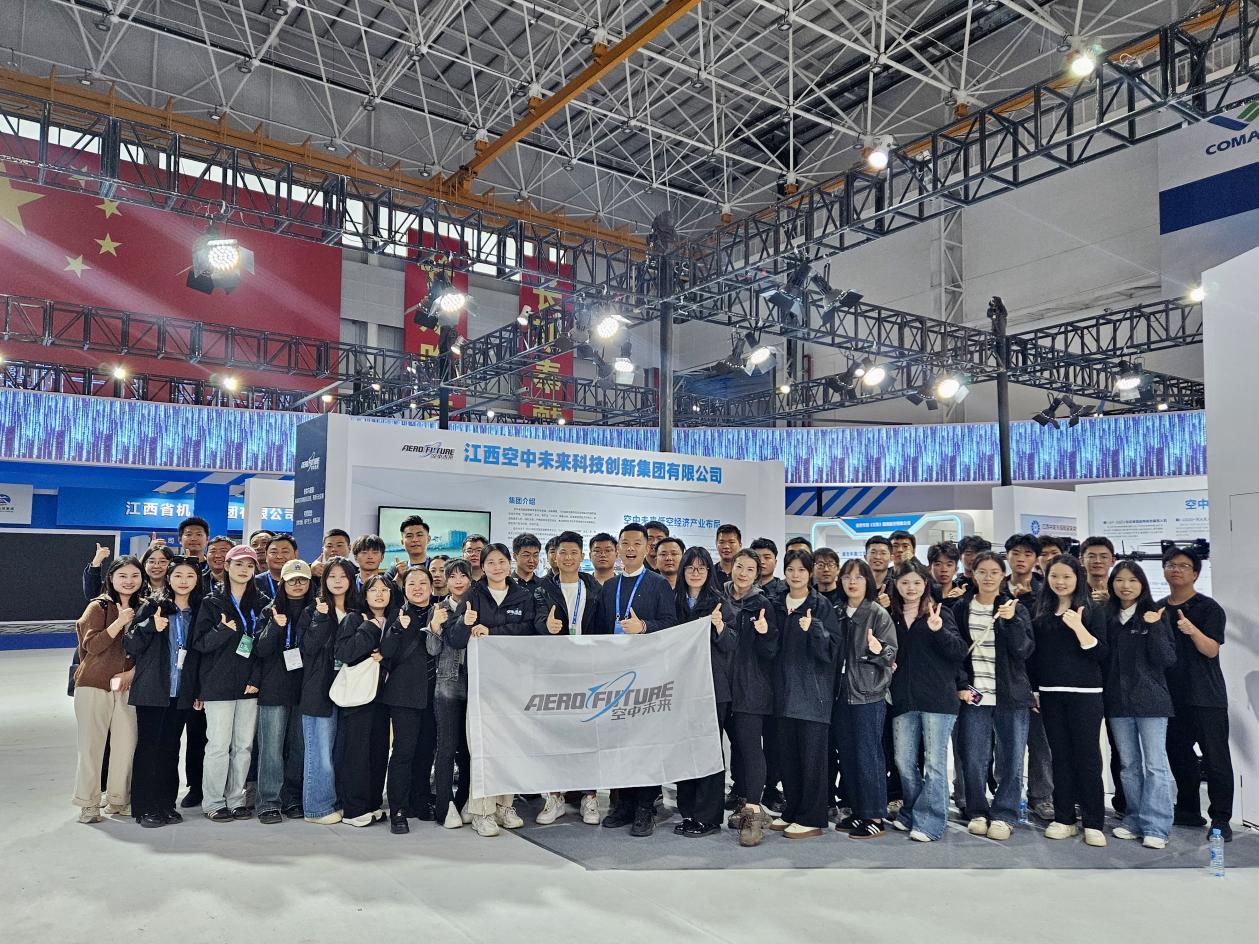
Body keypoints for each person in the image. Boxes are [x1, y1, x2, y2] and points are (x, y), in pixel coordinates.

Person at [447, 543, 536, 836]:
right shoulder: (474, 595)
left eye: (501, 561)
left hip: (513, 683)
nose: (497, 567)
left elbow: (529, 631)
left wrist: (492, 631)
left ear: (510, 564)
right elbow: (455, 639)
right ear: (482, 567)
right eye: (491, 563)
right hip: (481, 684)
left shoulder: (523, 595)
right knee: (483, 746)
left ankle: (504, 806)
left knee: (509, 745)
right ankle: (481, 811)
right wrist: (465, 623)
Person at [596, 524, 677, 837]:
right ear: (618, 548)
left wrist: (644, 627)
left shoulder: (658, 584)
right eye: (625, 543)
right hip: (615, 676)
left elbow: (671, 624)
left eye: (636, 543)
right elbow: (599, 630)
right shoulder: (609, 587)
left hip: (647, 676)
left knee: (645, 741)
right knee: (620, 741)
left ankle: (645, 806)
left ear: (647, 549)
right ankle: (624, 804)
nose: (630, 549)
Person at [951, 550, 1035, 841]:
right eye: (982, 572)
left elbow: (1024, 650)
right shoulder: (960, 608)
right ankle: (977, 810)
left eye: (994, 572)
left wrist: (1011, 622)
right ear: (973, 574)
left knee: (1011, 757)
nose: (988, 577)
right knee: (973, 756)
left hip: (1010, 695)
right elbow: (955, 652)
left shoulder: (1015, 608)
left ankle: (1005, 814)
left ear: (1003, 575)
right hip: (974, 696)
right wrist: (961, 684)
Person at [1030, 554, 1110, 846]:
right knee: (1060, 757)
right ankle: (1064, 818)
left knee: (1087, 757)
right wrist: (1035, 690)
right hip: (1050, 693)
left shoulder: (1092, 609)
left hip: (1085, 694)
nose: (1060, 582)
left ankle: (1093, 821)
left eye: (1066, 576)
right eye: (1054, 576)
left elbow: (1101, 653)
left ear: (1078, 578)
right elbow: (1035, 656)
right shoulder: (1040, 610)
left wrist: (1078, 627)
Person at [887, 559, 966, 842]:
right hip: (903, 699)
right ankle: (910, 811)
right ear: (896, 584)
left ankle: (931, 822)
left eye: (917, 582)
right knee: (904, 761)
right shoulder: (891, 615)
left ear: (926, 584)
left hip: (937, 699)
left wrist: (938, 630)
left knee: (934, 763)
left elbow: (959, 651)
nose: (911, 588)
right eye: (905, 582)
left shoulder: (940, 612)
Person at [1160, 545, 1234, 840]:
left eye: (1183, 566)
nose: (1176, 570)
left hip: (1206, 696)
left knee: (1216, 759)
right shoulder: (1157, 608)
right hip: (1171, 697)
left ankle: (1221, 819)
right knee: (1178, 755)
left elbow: (1211, 649)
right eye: (1170, 565)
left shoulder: (1209, 608)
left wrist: (1192, 630)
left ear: (1195, 573)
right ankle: (1188, 809)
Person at [532, 531, 605, 825]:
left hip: (588, 670)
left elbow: (602, 628)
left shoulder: (595, 588)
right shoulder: (542, 588)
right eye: (563, 552)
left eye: (574, 552)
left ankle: (589, 797)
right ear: (554, 555)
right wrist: (545, 626)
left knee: (588, 733)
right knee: (555, 734)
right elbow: (537, 620)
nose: (568, 557)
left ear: (582, 556)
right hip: (555, 672)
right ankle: (555, 796)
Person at [192, 544, 269, 822]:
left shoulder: (262, 603)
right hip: (218, 684)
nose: (244, 570)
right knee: (218, 746)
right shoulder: (211, 602)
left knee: (243, 746)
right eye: (238, 564)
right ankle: (213, 802)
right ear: (226, 566)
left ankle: (236, 799)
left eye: (249, 565)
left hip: (250, 685)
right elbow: (200, 644)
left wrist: (256, 678)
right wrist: (222, 630)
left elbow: (264, 646)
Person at [1104, 560, 1177, 849]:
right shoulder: (1107, 616)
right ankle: (1134, 819)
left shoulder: (1154, 614)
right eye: (1120, 580)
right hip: (1117, 702)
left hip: (1151, 702)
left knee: (1155, 765)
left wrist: (1154, 626)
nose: (1126, 586)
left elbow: (1166, 659)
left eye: (1133, 580)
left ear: (1143, 584)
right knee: (1128, 765)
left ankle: (1157, 826)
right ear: (1112, 584)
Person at [125, 557, 203, 828]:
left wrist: (197, 691)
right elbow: (130, 643)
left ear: (197, 580)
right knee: (149, 749)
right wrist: (149, 626)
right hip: (153, 690)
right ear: (169, 578)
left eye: (190, 576)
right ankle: (145, 808)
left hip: (181, 692)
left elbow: (200, 655)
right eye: (178, 575)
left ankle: (166, 804)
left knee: (171, 748)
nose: (184, 581)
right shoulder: (153, 606)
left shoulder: (198, 611)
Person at [768, 548, 839, 839]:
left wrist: (814, 629)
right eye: (791, 569)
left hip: (813, 695)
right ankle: (793, 809)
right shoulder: (776, 604)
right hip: (783, 694)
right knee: (788, 757)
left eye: (801, 570)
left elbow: (832, 651)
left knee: (812, 759)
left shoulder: (820, 605)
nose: (795, 575)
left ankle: (812, 817)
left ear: (810, 574)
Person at [672, 547, 737, 838]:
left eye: (701, 568)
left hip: (713, 687)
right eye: (690, 567)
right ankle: (688, 812)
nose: (695, 573)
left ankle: (708, 817)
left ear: (709, 572)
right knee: (685, 749)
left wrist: (720, 626)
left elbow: (733, 644)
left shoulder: (719, 602)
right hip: (682, 687)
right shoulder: (674, 601)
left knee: (709, 750)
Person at [72, 556, 142, 824]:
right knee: (91, 747)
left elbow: (150, 650)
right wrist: (119, 622)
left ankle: (118, 799)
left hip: (127, 686)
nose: (129, 581)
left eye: (135, 575)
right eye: (122, 575)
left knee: (125, 745)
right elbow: (92, 646)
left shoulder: (145, 607)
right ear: (111, 578)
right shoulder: (98, 606)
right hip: (94, 684)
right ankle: (88, 803)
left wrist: (132, 673)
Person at [832, 558, 897, 839]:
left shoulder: (877, 613)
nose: (852, 582)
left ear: (868, 581)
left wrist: (878, 649)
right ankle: (859, 810)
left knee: (869, 756)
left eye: (858, 577)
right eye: (847, 577)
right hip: (840, 695)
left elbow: (891, 654)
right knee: (848, 755)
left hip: (868, 694)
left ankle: (875, 816)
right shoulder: (837, 612)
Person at [722, 549, 781, 847]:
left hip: (751, 688)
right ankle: (741, 800)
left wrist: (765, 632)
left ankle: (754, 812)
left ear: (757, 574)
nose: (743, 573)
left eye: (750, 569)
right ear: (731, 568)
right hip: (722, 685)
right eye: (739, 566)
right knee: (733, 747)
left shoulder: (762, 604)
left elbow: (771, 652)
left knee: (750, 748)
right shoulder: (719, 598)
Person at [297, 556, 358, 825]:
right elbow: (307, 648)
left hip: (350, 687)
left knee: (341, 749)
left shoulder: (358, 609)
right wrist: (321, 618)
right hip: (318, 688)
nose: (337, 581)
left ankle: (336, 801)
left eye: (343, 576)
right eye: (332, 576)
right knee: (319, 750)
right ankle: (317, 808)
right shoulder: (314, 609)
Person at [252, 559, 313, 824]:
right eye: (292, 580)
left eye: (302, 580)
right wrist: (276, 626)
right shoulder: (269, 610)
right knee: (271, 748)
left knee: (299, 747)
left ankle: (293, 798)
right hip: (274, 688)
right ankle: (268, 801)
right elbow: (260, 649)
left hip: (305, 688)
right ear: (282, 583)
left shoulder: (317, 610)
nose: (297, 584)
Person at [379, 566, 438, 834]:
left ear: (432, 587)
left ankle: (420, 801)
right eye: (411, 583)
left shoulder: (441, 612)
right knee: (403, 751)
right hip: (403, 694)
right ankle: (398, 810)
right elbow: (386, 652)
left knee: (426, 751)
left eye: (423, 583)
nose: (417, 588)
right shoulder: (396, 613)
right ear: (404, 589)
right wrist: (396, 629)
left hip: (434, 694)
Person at [334, 574, 394, 827]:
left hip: (383, 695)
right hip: (359, 695)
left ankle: (372, 803)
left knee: (378, 751)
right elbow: (344, 652)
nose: (379, 594)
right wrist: (370, 628)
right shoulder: (354, 618)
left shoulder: (394, 620)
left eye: (385, 590)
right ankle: (353, 809)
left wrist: (385, 656)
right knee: (357, 752)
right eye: (374, 590)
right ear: (364, 594)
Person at [428, 560, 474, 829]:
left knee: (469, 748)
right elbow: (432, 649)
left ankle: (465, 800)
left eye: (463, 576)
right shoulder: (439, 609)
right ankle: (444, 806)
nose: (458, 581)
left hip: (477, 682)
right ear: (445, 581)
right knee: (446, 746)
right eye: (452, 576)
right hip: (447, 683)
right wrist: (435, 626)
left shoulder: (478, 605)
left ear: (470, 579)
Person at [256, 533, 297, 599]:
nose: (279, 556)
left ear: (296, 554)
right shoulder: (254, 583)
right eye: (274, 552)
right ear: (266, 555)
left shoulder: (306, 581)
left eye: (285, 552)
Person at [1003, 533, 1043, 600]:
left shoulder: (1045, 588)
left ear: (1036, 560)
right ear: (1007, 556)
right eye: (1016, 554)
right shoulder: (997, 586)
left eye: (1027, 555)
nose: (1021, 559)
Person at [1079, 536, 1116, 602]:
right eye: (1091, 556)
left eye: (1104, 557)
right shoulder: (1075, 589)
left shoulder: (1120, 590)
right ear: (1082, 561)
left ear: (1113, 561)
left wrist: (1111, 602)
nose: (1098, 561)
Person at [864, 535, 893, 604]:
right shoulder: (858, 583)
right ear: (865, 557)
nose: (877, 557)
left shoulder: (898, 583)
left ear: (891, 558)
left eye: (883, 553)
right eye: (873, 552)